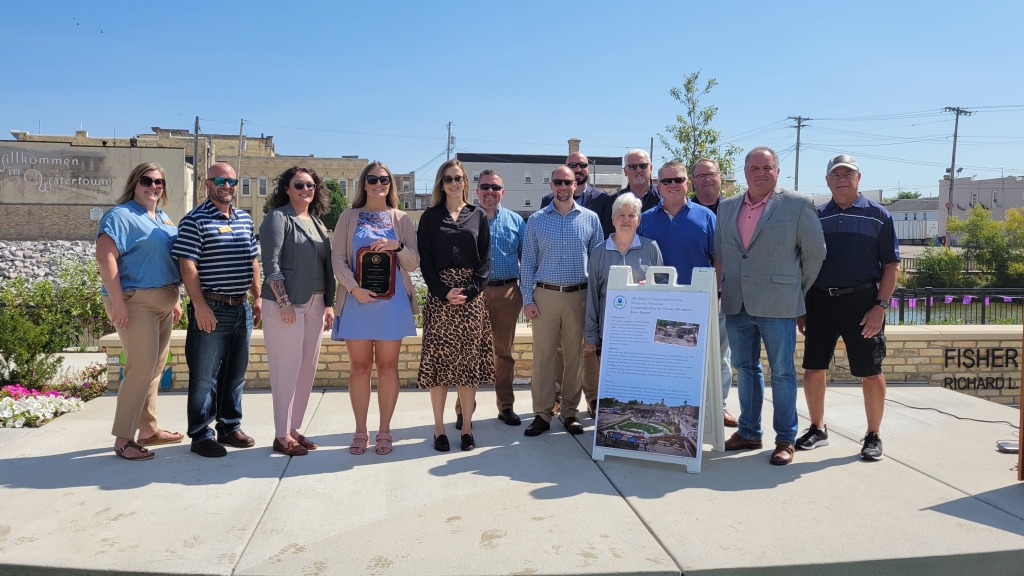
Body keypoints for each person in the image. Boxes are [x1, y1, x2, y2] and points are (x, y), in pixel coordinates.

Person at [714, 146, 826, 466]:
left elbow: (815, 253)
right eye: (754, 167)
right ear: (745, 171)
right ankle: (749, 431)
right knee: (746, 370)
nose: (760, 173)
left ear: (777, 171)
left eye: (767, 167)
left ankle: (785, 439)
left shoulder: (797, 204)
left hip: (778, 304)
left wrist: (796, 294)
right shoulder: (727, 207)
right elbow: (723, 253)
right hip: (737, 303)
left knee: (782, 372)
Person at [796, 155, 899, 461]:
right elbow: (803, 263)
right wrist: (801, 304)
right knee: (813, 368)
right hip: (819, 301)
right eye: (836, 174)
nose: (842, 178)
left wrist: (880, 307)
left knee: (870, 370)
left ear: (858, 178)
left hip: (862, 301)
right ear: (827, 180)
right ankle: (817, 428)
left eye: (848, 174)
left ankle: (873, 434)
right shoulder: (815, 216)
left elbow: (891, 266)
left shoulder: (879, 216)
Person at [172, 162, 262, 458]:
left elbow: (253, 261)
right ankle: (200, 434)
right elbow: (188, 264)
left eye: (232, 181)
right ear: (207, 184)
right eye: (220, 180)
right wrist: (199, 306)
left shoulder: (245, 220)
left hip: (241, 308)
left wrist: (258, 297)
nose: (227, 185)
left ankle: (229, 426)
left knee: (235, 373)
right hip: (211, 306)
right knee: (204, 376)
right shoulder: (194, 220)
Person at [96, 163, 183, 461]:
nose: (154, 186)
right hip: (135, 303)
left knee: (156, 368)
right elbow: (105, 258)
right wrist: (118, 302)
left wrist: (175, 299)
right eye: (147, 180)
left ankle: (148, 430)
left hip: (163, 302)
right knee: (139, 369)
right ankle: (123, 438)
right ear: (135, 182)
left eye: (159, 182)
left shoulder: (163, 218)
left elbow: (165, 261)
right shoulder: (120, 215)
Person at [332, 161, 419, 456]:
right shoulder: (348, 217)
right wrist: (353, 288)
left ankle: (384, 430)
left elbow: (413, 262)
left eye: (384, 179)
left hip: (391, 304)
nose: (378, 183)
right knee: (359, 367)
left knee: (387, 367)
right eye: (372, 178)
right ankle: (360, 430)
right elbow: (338, 260)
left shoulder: (401, 218)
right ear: (364, 183)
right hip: (357, 301)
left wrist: (397, 246)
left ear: (390, 184)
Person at [417, 159, 494, 452]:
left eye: (458, 178)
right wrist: (443, 291)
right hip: (440, 299)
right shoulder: (430, 217)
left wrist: (471, 291)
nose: (453, 183)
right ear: (441, 183)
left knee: (467, 365)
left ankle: (466, 428)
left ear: (465, 182)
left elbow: (485, 260)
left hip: (471, 300)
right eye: (448, 179)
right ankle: (438, 429)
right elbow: (425, 260)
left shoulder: (478, 216)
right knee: (440, 366)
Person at [259, 167, 336, 457]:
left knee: (306, 370)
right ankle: (281, 434)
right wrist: (283, 302)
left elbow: (324, 266)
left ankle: (293, 428)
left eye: (311, 185)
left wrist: (328, 304)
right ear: (287, 189)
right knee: (285, 370)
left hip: (316, 304)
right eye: (299, 184)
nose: (306, 189)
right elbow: (271, 264)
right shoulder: (277, 218)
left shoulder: (316, 222)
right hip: (287, 305)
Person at [521, 165, 603, 437]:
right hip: (545, 295)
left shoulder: (591, 219)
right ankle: (542, 413)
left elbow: (598, 263)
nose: (563, 186)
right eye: (558, 181)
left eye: (568, 181)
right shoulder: (536, 220)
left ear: (576, 184)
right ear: (551, 185)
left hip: (579, 296)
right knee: (543, 358)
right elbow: (528, 263)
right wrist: (527, 299)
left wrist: (596, 302)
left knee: (575, 358)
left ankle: (570, 412)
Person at [670, 157, 737, 427]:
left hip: (721, 297)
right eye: (700, 176)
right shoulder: (686, 211)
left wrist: (721, 292)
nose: (707, 180)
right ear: (692, 182)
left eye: (712, 174)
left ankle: (718, 406)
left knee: (720, 356)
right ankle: (684, 407)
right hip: (683, 300)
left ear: (720, 177)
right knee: (683, 358)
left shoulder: (735, 209)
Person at [540, 151, 605, 418]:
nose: (565, 184)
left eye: (580, 166)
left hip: (583, 290)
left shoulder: (600, 203)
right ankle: (550, 404)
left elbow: (599, 252)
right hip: (551, 293)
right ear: (553, 184)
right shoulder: (543, 210)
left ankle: (587, 402)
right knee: (553, 353)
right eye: (570, 167)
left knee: (586, 350)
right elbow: (535, 254)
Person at [468, 169, 525, 426]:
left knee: (504, 353)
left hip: (507, 292)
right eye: (485, 187)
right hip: (473, 293)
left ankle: (506, 406)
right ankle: (464, 409)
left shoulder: (516, 222)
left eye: (495, 187)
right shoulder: (464, 218)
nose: (490, 192)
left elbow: (528, 260)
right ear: (477, 190)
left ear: (503, 192)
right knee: (468, 352)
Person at [586, 193, 663, 356]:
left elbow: (663, 285)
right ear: (613, 219)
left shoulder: (651, 248)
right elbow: (592, 294)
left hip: (643, 332)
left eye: (631, 215)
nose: (626, 220)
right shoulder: (599, 252)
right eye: (621, 215)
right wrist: (592, 333)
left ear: (639, 220)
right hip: (609, 332)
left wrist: (651, 287)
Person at [598, 149, 662, 238]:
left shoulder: (663, 199)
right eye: (633, 166)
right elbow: (608, 235)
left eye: (643, 166)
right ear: (625, 171)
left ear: (651, 168)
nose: (638, 170)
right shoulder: (613, 201)